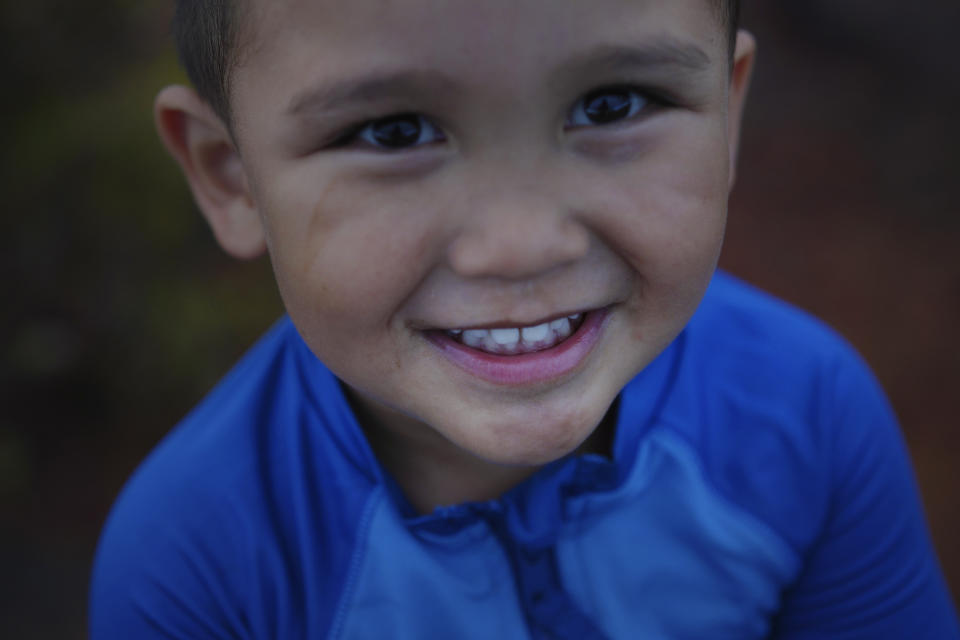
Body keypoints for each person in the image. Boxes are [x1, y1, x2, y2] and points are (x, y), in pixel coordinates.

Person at [89, 0, 959, 637]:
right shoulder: (194, 564)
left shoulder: (806, 415)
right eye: (394, 132)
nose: (521, 246)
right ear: (230, 176)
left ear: (728, 117)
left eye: (612, 105)